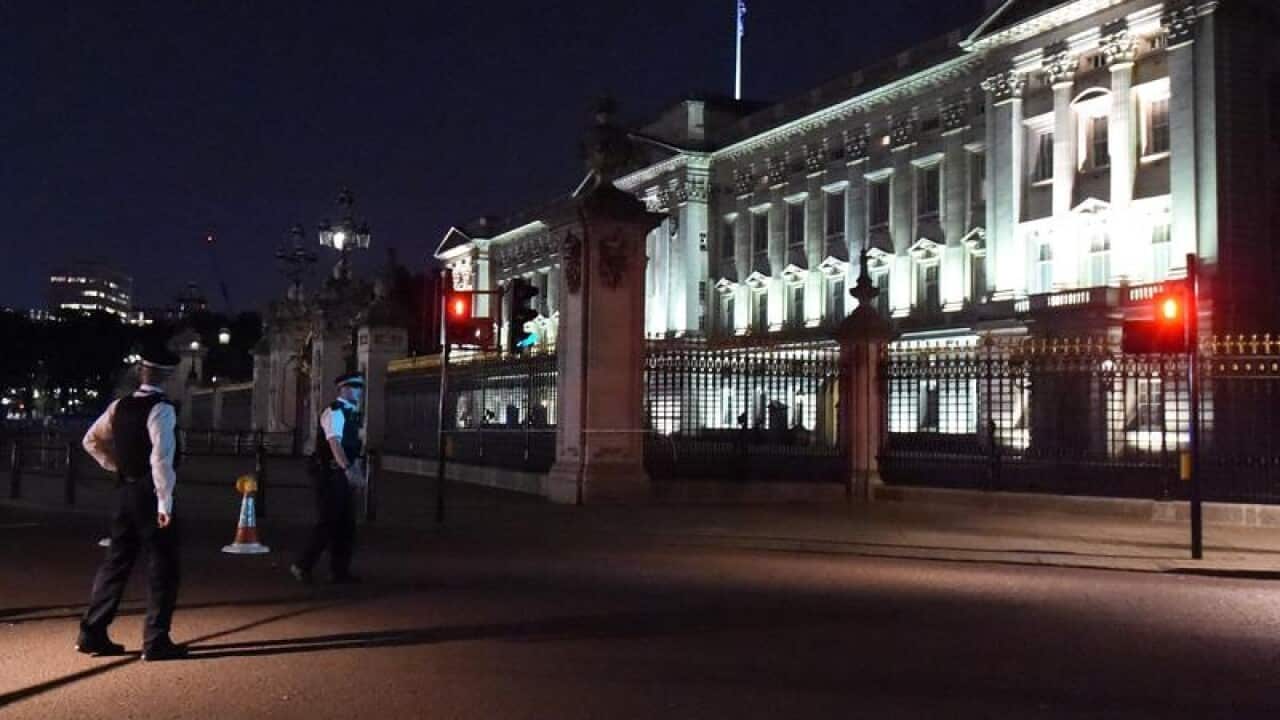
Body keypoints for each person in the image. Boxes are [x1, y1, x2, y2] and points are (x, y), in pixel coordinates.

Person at [76, 346, 186, 661]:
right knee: (163, 566)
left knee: (116, 562)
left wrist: (117, 466)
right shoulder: (162, 409)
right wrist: (164, 502)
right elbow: (161, 458)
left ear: (141, 372)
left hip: (124, 490)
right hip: (149, 493)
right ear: (168, 376)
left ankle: (92, 632)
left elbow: (90, 441)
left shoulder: (119, 406)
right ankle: (156, 639)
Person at [291, 372, 366, 584]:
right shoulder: (335, 412)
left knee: (346, 524)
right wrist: (348, 469)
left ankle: (339, 571)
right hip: (329, 474)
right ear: (344, 388)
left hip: (340, 472)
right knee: (329, 521)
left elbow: (352, 448)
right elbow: (335, 444)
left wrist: (355, 471)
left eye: (360, 387)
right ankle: (302, 565)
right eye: (355, 387)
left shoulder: (352, 413)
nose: (359, 391)